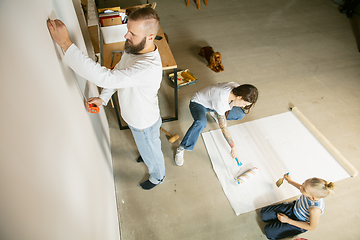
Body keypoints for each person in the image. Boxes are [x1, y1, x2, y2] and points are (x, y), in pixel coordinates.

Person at [47, 8, 165, 190]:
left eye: (132, 33)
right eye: (128, 29)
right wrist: (103, 98)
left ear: (150, 37)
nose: (126, 35)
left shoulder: (146, 68)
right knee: (151, 144)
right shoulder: (135, 48)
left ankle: (158, 176)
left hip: (143, 123)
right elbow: (118, 72)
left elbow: (106, 78)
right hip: (145, 117)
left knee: (152, 150)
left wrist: (66, 45)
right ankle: (148, 151)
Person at [174, 82, 258, 166]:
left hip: (214, 104)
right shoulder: (221, 98)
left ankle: (217, 113)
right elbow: (223, 128)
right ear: (239, 97)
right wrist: (233, 147)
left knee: (240, 114)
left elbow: (227, 105)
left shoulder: (237, 88)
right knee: (201, 123)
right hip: (199, 103)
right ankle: (182, 148)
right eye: (244, 104)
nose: (243, 106)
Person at [260, 174, 335, 239]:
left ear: (312, 197)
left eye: (303, 189)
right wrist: (290, 181)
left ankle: (291, 230)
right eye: (303, 184)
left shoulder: (315, 209)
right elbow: (301, 187)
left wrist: (288, 220)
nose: (300, 187)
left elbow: (312, 227)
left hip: (300, 221)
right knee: (263, 214)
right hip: (294, 208)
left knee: (268, 232)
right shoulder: (310, 192)